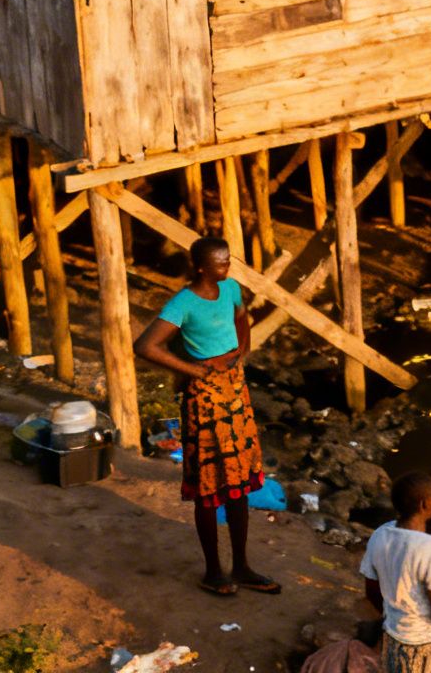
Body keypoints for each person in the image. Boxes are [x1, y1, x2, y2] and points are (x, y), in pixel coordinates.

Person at [134, 236, 280, 596]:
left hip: (235, 389)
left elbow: (242, 317)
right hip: (205, 397)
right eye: (221, 263)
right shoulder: (182, 303)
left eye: (228, 262)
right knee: (209, 483)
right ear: (201, 267)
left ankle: (242, 565)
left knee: (240, 478)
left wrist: (241, 350)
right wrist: (194, 370)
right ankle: (214, 571)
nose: (227, 268)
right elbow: (145, 345)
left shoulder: (229, 288)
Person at [361, 471, 431, 673]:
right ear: (424, 504)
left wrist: (398, 615)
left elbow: (371, 590)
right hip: (430, 646)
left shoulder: (380, 535)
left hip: (394, 640)